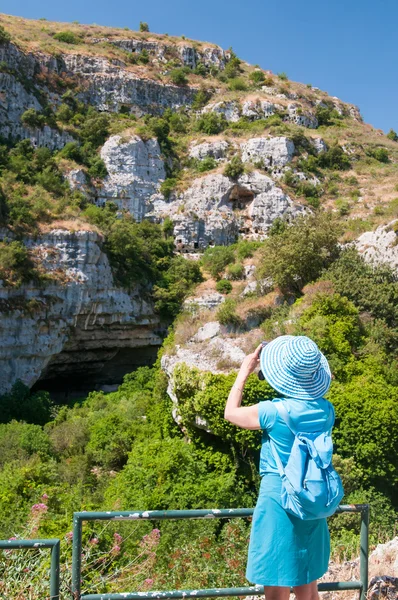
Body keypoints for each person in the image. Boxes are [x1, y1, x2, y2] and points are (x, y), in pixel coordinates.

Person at [224, 335, 335, 600]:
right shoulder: (326, 410)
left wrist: (244, 371)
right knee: (308, 585)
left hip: (278, 499)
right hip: (311, 495)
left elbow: (230, 412)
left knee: (276, 587)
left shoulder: (273, 411)